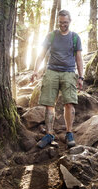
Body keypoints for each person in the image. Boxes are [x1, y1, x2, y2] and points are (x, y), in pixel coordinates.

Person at [31, 9, 84, 149]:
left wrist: (81, 76)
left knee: (69, 103)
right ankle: (49, 134)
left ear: (70, 21)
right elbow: (41, 54)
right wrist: (35, 70)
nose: (63, 25)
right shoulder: (51, 36)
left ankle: (69, 133)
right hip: (52, 72)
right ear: (58, 22)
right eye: (60, 22)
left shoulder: (75, 37)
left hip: (69, 73)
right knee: (49, 104)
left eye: (65, 22)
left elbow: (79, 58)